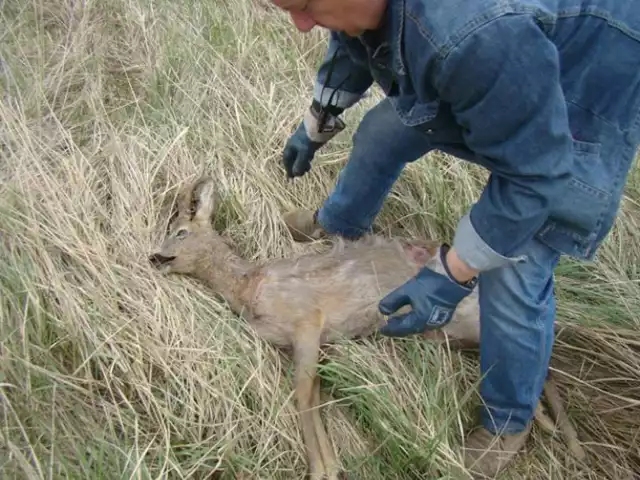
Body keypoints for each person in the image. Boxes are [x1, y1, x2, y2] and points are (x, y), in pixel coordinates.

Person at [270, 0, 640, 476]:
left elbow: (535, 178)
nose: (300, 24)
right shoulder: (371, 13)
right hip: (495, 51)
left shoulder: (474, 34)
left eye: (304, 4)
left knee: (519, 256)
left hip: (591, 65)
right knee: (387, 127)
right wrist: (317, 121)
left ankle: (509, 417)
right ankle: (339, 225)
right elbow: (353, 42)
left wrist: (453, 271)